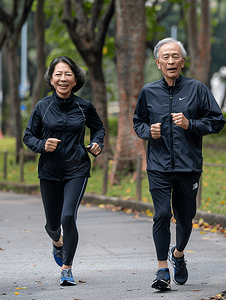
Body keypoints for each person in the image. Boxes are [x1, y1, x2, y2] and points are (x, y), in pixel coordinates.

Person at [133, 38, 225, 291]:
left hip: (188, 166)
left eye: (176, 57)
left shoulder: (198, 89)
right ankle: (162, 269)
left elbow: (217, 121)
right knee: (162, 214)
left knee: (185, 219)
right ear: (158, 63)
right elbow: (138, 122)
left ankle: (179, 254)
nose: (171, 61)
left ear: (183, 61)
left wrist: (190, 124)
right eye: (166, 57)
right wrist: (147, 131)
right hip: (158, 166)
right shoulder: (148, 92)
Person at [23, 56, 105, 286]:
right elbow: (28, 136)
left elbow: (98, 128)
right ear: (51, 79)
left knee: (68, 216)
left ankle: (67, 268)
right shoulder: (42, 106)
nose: (63, 78)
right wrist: (42, 145)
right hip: (49, 171)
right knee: (52, 226)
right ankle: (57, 243)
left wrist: (97, 143)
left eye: (68, 74)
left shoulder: (84, 106)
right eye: (58, 74)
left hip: (77, 168)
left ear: (75, 79)